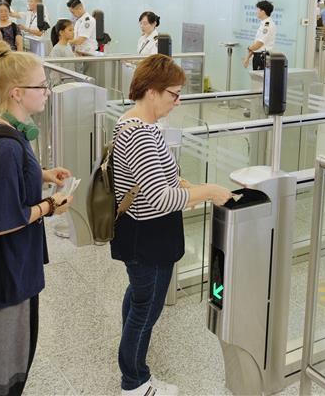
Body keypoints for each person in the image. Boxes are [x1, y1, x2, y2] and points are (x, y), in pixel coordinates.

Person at [111, 55, 232, 395]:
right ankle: (134, 381)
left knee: (138, 299)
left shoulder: (137, 124)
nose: (178, 102)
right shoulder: (140, 135)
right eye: (173, 94)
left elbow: (156, 179)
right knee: (145, 309)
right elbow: (156, 200)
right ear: (152, 91)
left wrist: (182, 183)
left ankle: (131, 362)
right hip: (146, 237)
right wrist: (206, 192)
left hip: (144, 234)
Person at [0, 48, 73, 396]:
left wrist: (41, 174)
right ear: (16, 93)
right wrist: (50, 206)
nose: (47, 91)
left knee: (10, 358)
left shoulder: (7, 129)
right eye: (41, 86)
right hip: (6, 273)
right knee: (5, 368)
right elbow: (4, 221)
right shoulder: (6, 146)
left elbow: (7, 181)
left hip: (6, 267)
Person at [243, 0, 276, 70]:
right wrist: (248, 57)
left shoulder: (267, 25)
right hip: (259, 56)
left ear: (263, 12)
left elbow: (259, 44)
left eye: (257, 10)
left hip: (262, 58)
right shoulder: (263, 24)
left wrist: (249, 48)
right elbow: (257, 44)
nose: (256, 12)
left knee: (261, 80)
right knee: (257, 80)